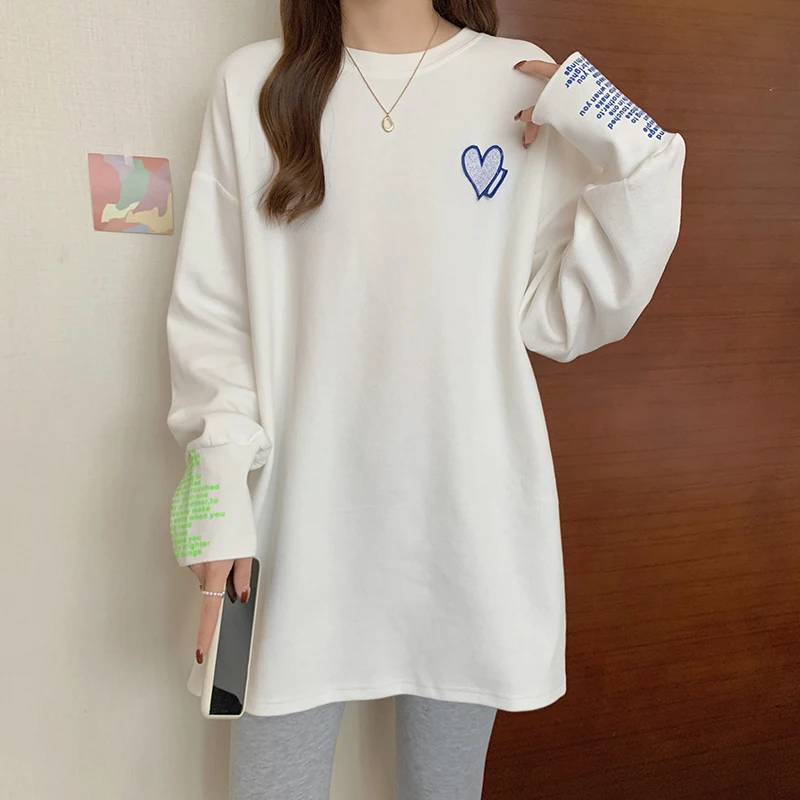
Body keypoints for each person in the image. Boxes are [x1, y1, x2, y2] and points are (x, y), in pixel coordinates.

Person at [166, 0, 686, 796]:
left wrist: (618, 132)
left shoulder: (516, 81)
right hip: (298, 521)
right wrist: (216, 499)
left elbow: (568, 316)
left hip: (465, 528)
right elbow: (214, 316)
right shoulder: (253, 85)